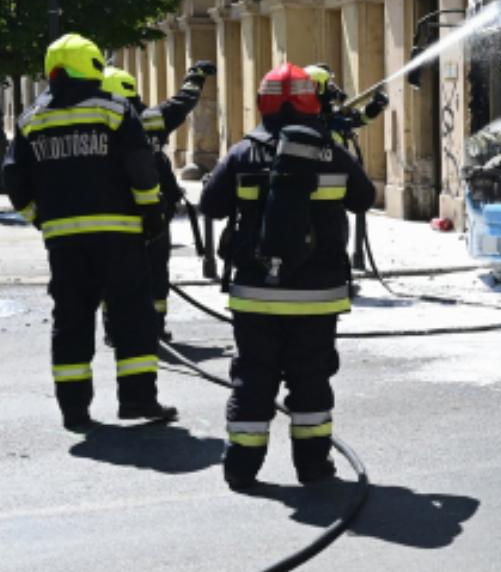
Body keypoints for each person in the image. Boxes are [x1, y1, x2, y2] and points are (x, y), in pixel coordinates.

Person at [201, 63, 375, 489]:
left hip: (255, 294)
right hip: (319, 296)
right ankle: (313, 469)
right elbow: (364, 198)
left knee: (253, 379)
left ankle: (241, 468)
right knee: (311, 381)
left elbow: (211, 206)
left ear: (264, 102)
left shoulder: (244, 152)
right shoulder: (331, 152)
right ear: (310, 101)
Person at [2, 34, 177, 430]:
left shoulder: (31, 119)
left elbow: (14, 181)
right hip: (119, 237)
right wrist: (151, 213)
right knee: (133, 316)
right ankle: (137, 400)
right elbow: (140, 167)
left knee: (71, 319)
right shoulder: (113, 110)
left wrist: (42, 220)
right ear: (92, 66)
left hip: (65, 241)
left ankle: (74, 410)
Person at [101, 61, 215, 340]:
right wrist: (195, 77)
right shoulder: (154, 118)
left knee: (112, 274)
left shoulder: (98, 126)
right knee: (156, 272)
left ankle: (114, 329)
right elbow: (183, 101)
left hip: (113, 215)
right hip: (155, 212)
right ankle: (155, 326)